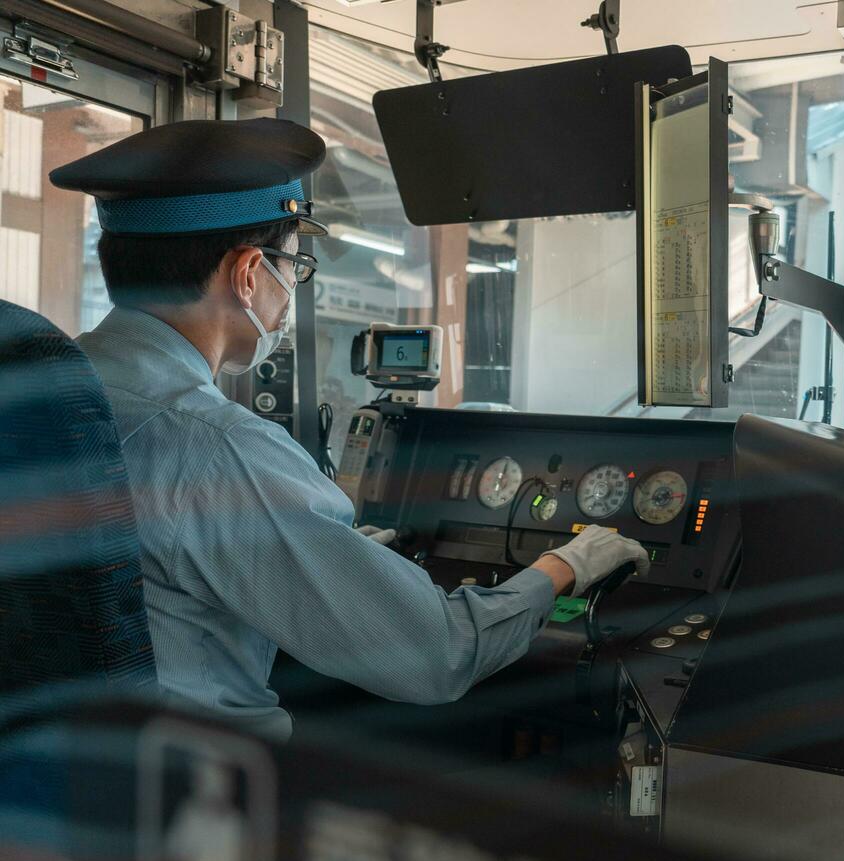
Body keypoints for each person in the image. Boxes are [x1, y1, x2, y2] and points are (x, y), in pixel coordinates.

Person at [51, 118, 647, 740]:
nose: (290, 295)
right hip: (198, 801)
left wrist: (327, 554)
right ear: (250, 273)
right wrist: (564, 566)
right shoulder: (216, 444)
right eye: (293, 265)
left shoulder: (45, 392)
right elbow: (434, 653)